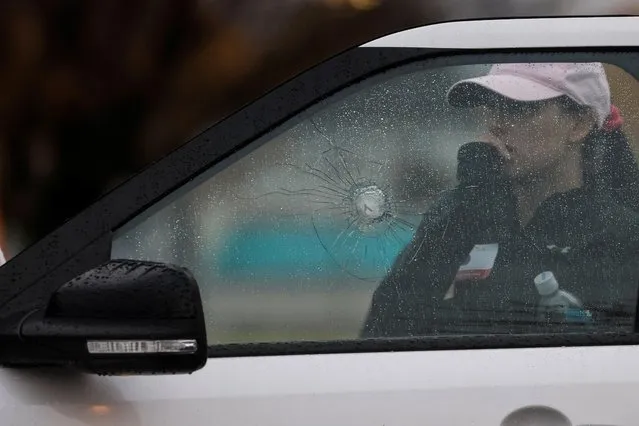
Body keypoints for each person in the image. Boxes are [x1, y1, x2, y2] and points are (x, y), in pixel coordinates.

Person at [361, 62, 639, 338]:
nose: (496, 123)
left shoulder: (620, 237)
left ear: (579, 124)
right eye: (492, 106)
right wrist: (466, 206)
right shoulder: (470, 208)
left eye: (519, 108)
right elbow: (383, 331)